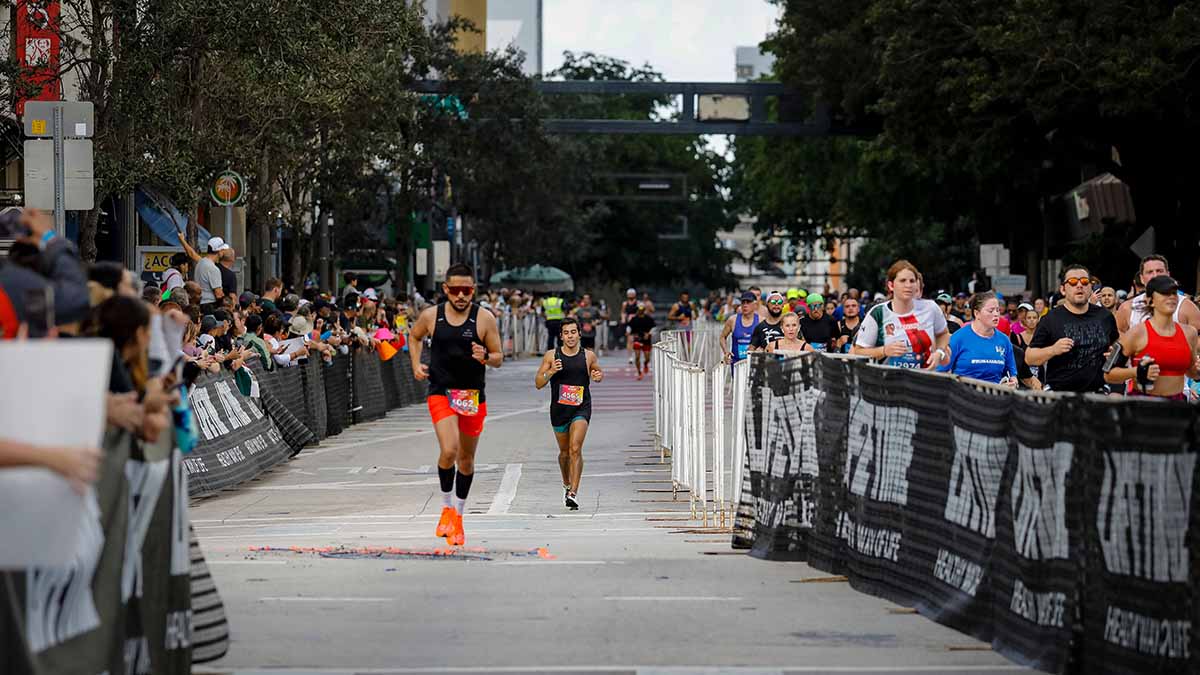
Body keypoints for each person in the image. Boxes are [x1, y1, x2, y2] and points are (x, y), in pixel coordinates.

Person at [408, 263, 502, 547]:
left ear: (473, 290)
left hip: (472, 395)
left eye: (468, 290)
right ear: (446, 289)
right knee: (448, 449)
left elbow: (499, 357)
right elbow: (414, 336)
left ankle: (459, 518)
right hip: (441, 391)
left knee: (466, 459)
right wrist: (415, 363)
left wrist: (485, 355)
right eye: (456, 290)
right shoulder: (431, 316)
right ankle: (446, 508)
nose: (462, 296)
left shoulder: (484, 319)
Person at [535, 317, 604, 510]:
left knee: (575, 448)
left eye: (573, 332)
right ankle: (566, 483)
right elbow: (538, 383)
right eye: (566, 333)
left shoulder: (588, 356)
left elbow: (597, 373)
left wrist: (597, 376)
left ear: (579, 334)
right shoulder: (551, 356)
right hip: (559, 410)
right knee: (564, 453)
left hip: (581, 407)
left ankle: (573, 492)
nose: (570, 336)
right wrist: (551, 372)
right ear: (561, 336)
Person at [1025, 264, 1119, 393]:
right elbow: (1029, 357)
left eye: (1085, 282)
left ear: (1091, 288)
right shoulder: (1050, 319)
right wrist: (1053, 350)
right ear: (1063, 290)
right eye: (1073, 282)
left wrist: (1113, 356)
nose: (1079, 285)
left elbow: (1116, 346)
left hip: (1097, 394)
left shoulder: (1105, 316)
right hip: (1060, 395)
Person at [1104, 275, 1200, 399]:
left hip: (1177, 406)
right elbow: (1108, 373)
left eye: (1174, 293)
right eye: (1164, 293)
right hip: (1144, 406)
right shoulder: (1136, 333)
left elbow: (1192, 372)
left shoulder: (1189, 333)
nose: (1171, 297)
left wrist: (1197, 372)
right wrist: (1136, 371)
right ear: (1150, 300)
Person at [853, 260, 950, 369]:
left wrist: (939, 352)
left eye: (912, 281)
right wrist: (884, 351)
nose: (908, 285)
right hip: (889, 382)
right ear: (891, 285)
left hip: (924, 381)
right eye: (902, 281)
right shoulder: (878, 313)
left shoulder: (930, 308)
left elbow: (944, 334)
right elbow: (858, 351)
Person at [940, 292, 1018, 386]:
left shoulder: (1004, 340)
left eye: (997, 310)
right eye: (991, 311)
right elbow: (941, 372)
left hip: (994, 397)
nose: (996, 314)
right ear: (977, 313)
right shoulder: (959, 337)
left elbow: (1012, 374)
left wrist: (1013, 382)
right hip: (963, 396)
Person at [1116, 254, 1200, 334]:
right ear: (1141, 278)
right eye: (1150, 272)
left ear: (1168, 275)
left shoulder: (1186, 307)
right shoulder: (1127, 308)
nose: (1155, 275)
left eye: (1159, 271)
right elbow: (1119, 337)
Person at [720, 291, 761, 364]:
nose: (745, 305)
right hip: (736, 363)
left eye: (748, 302)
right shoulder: (732, 320)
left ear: (755, 304)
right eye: (743, 302)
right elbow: (722, 337)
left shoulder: (761, 320)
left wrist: (762, 349)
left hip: (755, 363)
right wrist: (726, 352)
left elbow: (767, 341)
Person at [1010, 302, 1043, 389]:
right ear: (1025, 320)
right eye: (1029, 318)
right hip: (1022, 379)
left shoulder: (1043, 337)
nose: (1032, 320)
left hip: (1040, 376)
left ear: (1038, 319)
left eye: (1034, 318)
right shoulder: (1017, 337)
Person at [194, 237, 228, 312]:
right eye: (222, 250)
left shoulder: (200, 263)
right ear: (219, 251)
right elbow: (218, 294)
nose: (223, 252)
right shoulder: (213, 268)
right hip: (210, 306)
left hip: (200, 303)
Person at [627, 303, 656, 380]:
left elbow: (654, 328)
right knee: (637, 357)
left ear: (644, 310)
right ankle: (639, 372)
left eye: (642, 309)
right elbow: (629, 326)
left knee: (647, 358)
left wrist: (649, 334)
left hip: (646, 340)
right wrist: (628, 332)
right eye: (639, 309)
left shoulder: (649, 319)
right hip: (637, 339)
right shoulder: (634, 319)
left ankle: (645, 364)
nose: (640, 311)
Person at [621, 288, 640, 362]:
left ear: (635, 295)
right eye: (629, 294)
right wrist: (623, 318)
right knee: (630, 340)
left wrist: (634, 315)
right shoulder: (625, 304)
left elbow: (641, 312)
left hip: (637, 323)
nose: (631, 295)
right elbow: (623, 312)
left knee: (637, 339)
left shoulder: (638, 303)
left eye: (632, 293)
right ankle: (630, 356)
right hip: (629, 324)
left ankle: (637, 354)